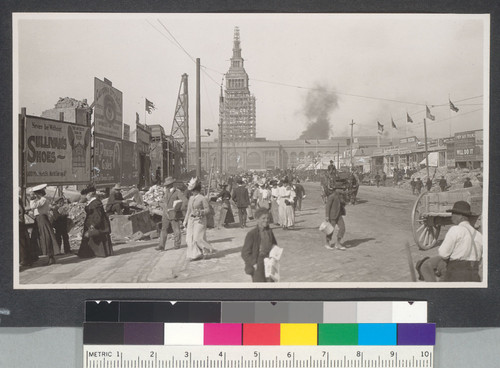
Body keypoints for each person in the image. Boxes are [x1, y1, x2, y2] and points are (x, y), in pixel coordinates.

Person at [417, 201, 482, 282]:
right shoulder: (479, 235)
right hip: (474, 275)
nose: (451, 216)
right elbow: (480, 261)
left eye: (453, 214)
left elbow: (443, 254)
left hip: (456, 274)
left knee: (425, 266)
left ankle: (435, 290)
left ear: (461, 216)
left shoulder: (455, 229)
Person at [241, 208, 278, 282]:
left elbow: (274, 244)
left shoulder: (269, 231)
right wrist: (253, 263)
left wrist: (275, 255)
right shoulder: (252, 234)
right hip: (258, 261)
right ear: (257, 219)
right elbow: (245, 253)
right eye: (263, 218)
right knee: (259, 283)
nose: (266, 220)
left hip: (269, 260)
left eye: (268, 218)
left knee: (271, 282)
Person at [183, 178, 216, 260]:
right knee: (189, 238)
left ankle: (208, 249)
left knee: (198, 238)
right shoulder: (191, 198)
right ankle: (195, 254)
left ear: (197, 190)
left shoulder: (202, 198)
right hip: (191, 220)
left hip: (200, 220)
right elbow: (188, 210)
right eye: (192, 191)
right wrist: (185, 220)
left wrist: (201, 212)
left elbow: (208, 210)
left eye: (193, 190)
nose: (192, 192)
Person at [77, 185, 113, 258]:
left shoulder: (95, 203)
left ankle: (91, 253)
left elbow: (97, 216)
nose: (85, 197)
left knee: (93, 237)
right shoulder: (94, 202)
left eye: (86, 195)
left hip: (95, 224)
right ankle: (88, 253)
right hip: (92, 223)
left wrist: (93, 225)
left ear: (89, 194)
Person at [28, 184, 58, 265]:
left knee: (46, 237)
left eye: (35, 193)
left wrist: (31, 198)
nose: (35, 195)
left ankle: (51, 257)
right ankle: (38, 256)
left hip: (42, 219)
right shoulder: (41, 200)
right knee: (38, 237)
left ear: (38, 193)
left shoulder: (43, 200)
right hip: (38, 219)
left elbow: (33, 206)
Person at [155, 177, 187, 251]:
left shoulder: (177, 192)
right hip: (165, 213)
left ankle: (177, 244)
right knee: (163, 229)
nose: (166, 186)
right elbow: (164, 201)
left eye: (168, 185)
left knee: (176, 229)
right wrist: (160, 203)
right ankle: (161, 246)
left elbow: (185, 201)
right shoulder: (166, 191)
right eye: (166, 185)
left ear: (172, 184)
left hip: (174, 213)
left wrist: (178, 209)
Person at [324, 186, 346, 250]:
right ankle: (327, 243)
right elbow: (327, 206)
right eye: (340, 189)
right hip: (332, 216)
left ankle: (338, 243)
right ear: (336, 189)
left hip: (339, 216)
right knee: (330, 230)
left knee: (342, 228)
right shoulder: (331, 196)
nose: (342, 190)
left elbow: (344, 204)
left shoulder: (341, 196)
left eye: (342, 189)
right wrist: (327, 216)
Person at [19, 195, 38, 267]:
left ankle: (25, 259)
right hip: (22, 224)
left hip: (20, 224)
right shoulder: (20, 205)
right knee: (24, 242)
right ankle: (27, 259)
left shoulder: (18, 206)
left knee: (22, 243)